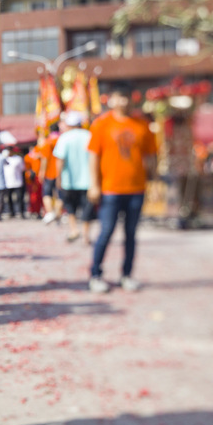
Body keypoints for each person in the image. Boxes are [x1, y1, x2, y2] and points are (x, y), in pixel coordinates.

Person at [87, 87, 156, 293]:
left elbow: (151, 156)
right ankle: (95, 275)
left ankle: (126, 275)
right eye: (119, 97)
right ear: (111, 100)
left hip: (136, 188)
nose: (123, 101)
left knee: (131, 234)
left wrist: (152, 181)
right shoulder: (101, 125)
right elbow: (93, 156)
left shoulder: (142, 125)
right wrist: (94, 184)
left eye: (126, 96)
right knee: (106, 231)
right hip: (110, 189)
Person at [52, 111, 94, 243]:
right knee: (87, 207)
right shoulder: (89, 136)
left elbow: (60, 160)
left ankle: (74, 229)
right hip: (88, 180)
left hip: (69, 180)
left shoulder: (64, 138)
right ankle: (86, 235)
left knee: (71, 208)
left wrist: (58, 178)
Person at [39, 130, 61, 224]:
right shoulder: (61, 140)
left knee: (46, 194)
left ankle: (50, 213)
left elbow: (45, 159)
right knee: (58, 194)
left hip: (49, 173)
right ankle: (58, 213)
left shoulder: (47, 142)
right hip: (60, 172)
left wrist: (42, 171)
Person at [3, 146, 27, 218]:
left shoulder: (18, 159)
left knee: (19, 198)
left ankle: (21, 212)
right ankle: (11, 212)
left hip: (17, 182)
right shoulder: (3, 159)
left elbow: (22, 168)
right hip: (7, 182)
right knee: (9, 198)